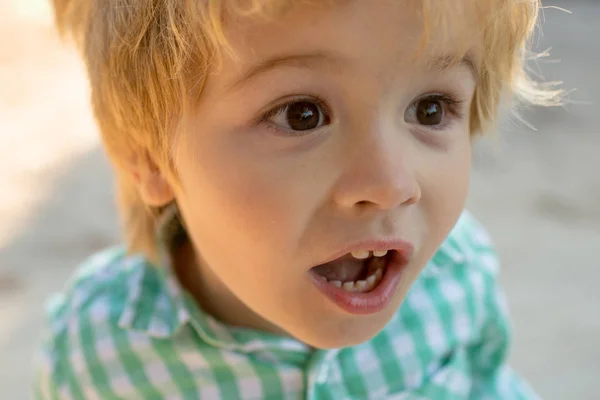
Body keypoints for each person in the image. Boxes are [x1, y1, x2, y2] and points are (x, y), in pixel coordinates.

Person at [33, 0, 560, 398]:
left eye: (429, 108)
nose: (391, 184)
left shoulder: (459, 275)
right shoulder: (100, 353)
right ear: (148, 158)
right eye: (300, 114)